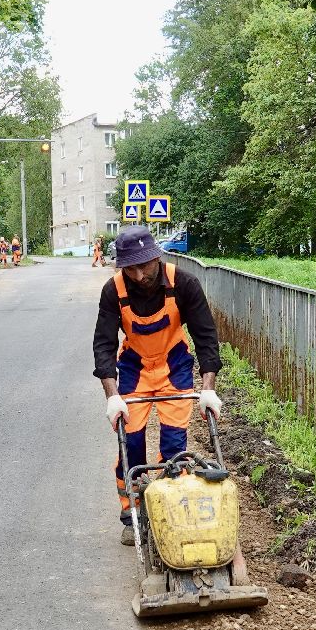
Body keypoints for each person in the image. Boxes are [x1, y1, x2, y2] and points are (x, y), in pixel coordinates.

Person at [93, 226, 230, 559]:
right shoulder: (113, 291)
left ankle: (170, 507)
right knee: (132, 443)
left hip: (175, 366)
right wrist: (112, 396)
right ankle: (133, 514)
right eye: (131, 268)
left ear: (156, 256)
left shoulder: (184, 284)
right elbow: (104, 345)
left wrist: (208, 389)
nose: (140, 275)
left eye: (145, 265)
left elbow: (206, 338)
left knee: (173, 446)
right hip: (134, 369)